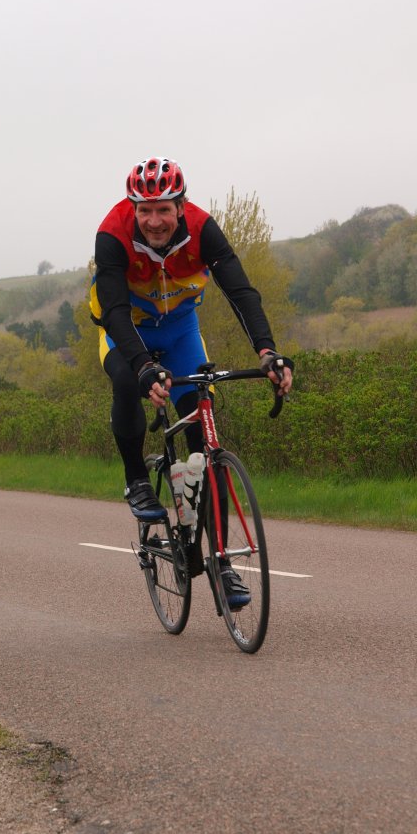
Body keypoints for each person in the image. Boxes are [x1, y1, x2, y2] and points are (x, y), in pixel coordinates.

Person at [90, 157, 293, 605]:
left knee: (205, 436)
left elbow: (240, 291)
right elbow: (115, 311)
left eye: (164, 209)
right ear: (133, 209)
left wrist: (267, 351)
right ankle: (136, 479)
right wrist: (143, 366)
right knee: (125, 380)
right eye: (145, 210)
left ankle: (222, 565)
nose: (154, 221)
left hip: (181, 331)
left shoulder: (202, 229)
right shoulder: (112, 233)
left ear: (181, 207)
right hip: (127, 330)